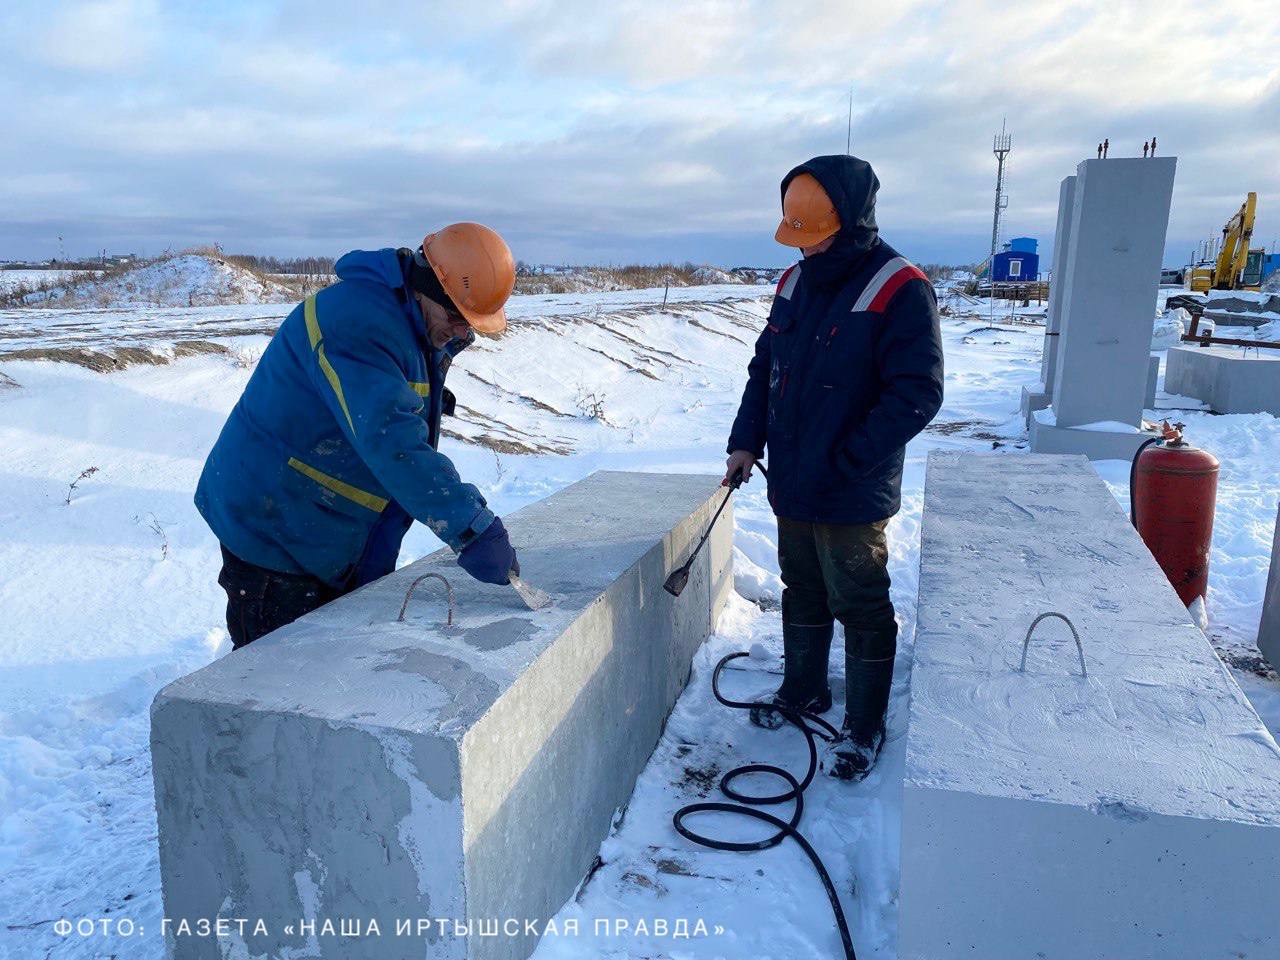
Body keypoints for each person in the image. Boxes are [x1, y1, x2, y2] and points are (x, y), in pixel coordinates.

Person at [196, 223, 520, 649]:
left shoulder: (412, 321)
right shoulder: (356, 323)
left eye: (472, 323)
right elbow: (392, 442)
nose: (464, 332)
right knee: (279, 685)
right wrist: (471, 527)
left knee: (330, 673)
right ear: (428, 287)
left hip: (322, 525)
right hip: (275, 527)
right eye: (458, 317)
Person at [725, 156, 944, 780]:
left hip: (852, 485)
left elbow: (916, 393)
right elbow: (764, 369)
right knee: (804, 587)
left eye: (810, 233)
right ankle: (804, 689)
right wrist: (746, 442)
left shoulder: (899, 287)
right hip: (793, 480)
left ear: (847, 223)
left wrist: (848, 461)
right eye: (794, 233)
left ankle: (864, 722)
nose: (802, 246)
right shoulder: (794, 284)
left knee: (860, 599)